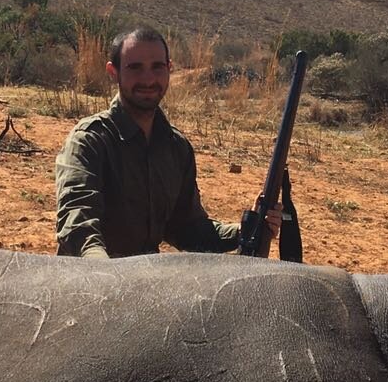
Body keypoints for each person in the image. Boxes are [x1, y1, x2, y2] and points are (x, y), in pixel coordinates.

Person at [55, 26, 279, 258]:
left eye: (157, 67)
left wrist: (248, 229)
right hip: (90, 284)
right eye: (135, 68)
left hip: (148, 283)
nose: (148, 79)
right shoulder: (88, 141)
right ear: (114, 72)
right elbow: (77, 226)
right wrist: (106, 272)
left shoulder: (177, 148)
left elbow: (189, 230)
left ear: (169, 69)